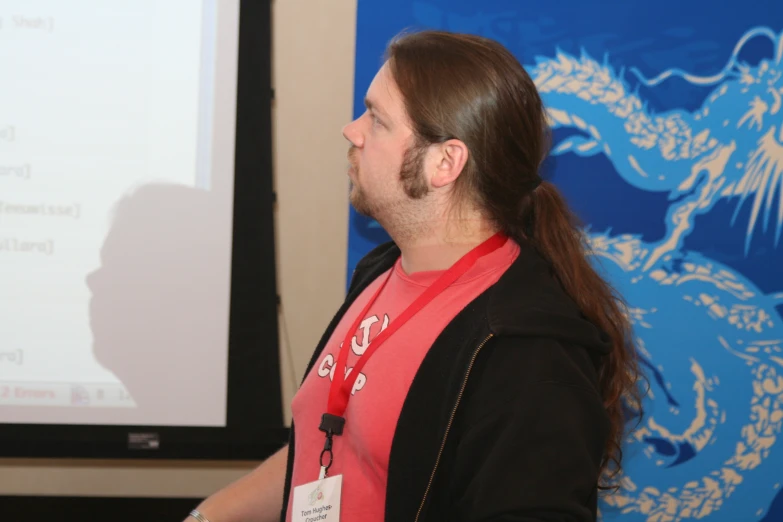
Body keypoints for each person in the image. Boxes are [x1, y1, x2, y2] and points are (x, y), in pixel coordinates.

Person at [186, 30, 643, 522]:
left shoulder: (523, 345)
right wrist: (208, 516)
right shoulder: (382, 270)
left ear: (444, 161)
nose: (351, 130)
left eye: (376, 120)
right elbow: (332, 446)